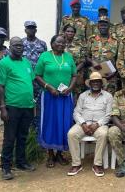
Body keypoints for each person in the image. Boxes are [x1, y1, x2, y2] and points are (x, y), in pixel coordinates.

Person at [35, 35, 77, 168]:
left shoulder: (69, 57)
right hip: (49, 96)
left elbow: (75, 75)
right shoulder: (45, 56)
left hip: (65, 97)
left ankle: (60, 153)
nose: (61, 44)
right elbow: (37, 76)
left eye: (63, 42)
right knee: (50, 123)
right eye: (58, 42)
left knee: (64, 123)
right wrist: (48, 87)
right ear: (52, 43)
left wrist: (70, 88)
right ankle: (50, 154)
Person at [0, 37, 36, 180]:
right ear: (10, 47)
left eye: (21, 45)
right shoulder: (3, 63)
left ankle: (21, 162)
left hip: (27, 106)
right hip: (12, 106)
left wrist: (33, 104)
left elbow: (29, 82)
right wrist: (2, 107)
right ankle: (6, 167)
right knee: (9, 138)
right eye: (16, 45)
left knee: (23, 136)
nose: (19, 47)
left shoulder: (26, 62)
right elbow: (0, 85)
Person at [67, 72, 113, 177]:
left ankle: (97, 164)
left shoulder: (108, 96)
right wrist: (83, 124)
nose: (95, 84)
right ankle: (76, 164)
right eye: (93, 82)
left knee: (103, 134)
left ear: (102, 83)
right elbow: (76, 112)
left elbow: (109, 115)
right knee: (71, 134)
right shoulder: (83, 96)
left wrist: (97, 124)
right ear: (90, 84)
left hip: (100, 125)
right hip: (83, 123)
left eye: (98, 82)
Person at [88, 16, 119, 94]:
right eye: (101, 25)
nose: (103, 27)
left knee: (109, 101)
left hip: (110, 78)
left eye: (105, 25)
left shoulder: (116, 41)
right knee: (94, 99)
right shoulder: (92, 39)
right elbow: (86, 56)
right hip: (95, 77)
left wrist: (114, 73)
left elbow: (120, 59)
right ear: (98, 26)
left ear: (109, 26)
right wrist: (92, 62)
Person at [64, 24, 90, 98]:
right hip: (64, 74)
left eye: (72, 32)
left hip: (77, 74)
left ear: (74, 33)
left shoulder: (80, 45)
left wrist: (74, 70)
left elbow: (83, 60)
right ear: (64, 32)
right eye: (68, 31)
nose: (70, 33)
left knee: (77, 96)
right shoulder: (60, 44)